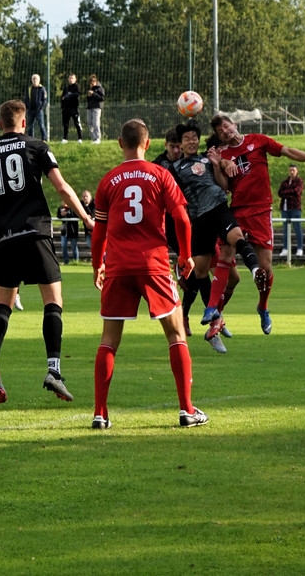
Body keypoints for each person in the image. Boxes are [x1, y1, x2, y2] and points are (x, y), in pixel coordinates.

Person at [0, 99, 95, 405]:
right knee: (53, 300)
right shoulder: (36, 147)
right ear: (24, 122)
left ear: (0, 124)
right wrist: (87, 218)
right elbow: (62, 188)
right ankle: (54, 370)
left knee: (4, 304)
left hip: (6, 239)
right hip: (36, 231)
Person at [90, 118, 208, 429]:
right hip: (153, 265)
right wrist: (185, 255)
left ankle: (100, 414)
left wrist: (97, 264)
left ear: (120, 143)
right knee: (176, 334)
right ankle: (187, 410)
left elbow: (99, 232)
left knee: (108, 340)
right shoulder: (160, 174)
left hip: (118, 267)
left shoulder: (108, 180)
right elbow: (182, 219)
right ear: (148, 143)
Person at [210, 113, 305, 335]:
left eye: (226, 126)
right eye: (220, 131)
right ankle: (215, 314)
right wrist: (220, 165)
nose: (224, 131)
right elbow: (223, 185)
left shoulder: (258, 140)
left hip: (261, 211)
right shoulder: (223, 154)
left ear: (234, 125)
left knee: (265, 269)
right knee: (225, 255)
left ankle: (263, 307)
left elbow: (287, 151)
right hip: (237, 211)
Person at [170, 123, 267, 350]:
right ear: (180, 144)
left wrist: (224, 163)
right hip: (199, 220)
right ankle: (207, 318)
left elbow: (223, 167)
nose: (192, 141)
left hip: (219, 209)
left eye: (194, 137)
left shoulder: (208, 158)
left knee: (237, 239)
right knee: (200, 272)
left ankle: (256, 270)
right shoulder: (175, 168)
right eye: (187, 138)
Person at [277, 164, 304, 257]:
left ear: (297, 171)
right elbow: (280, 193)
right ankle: (285, 248)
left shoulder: (299, 181)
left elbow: (297, 192)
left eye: (293, 170)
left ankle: (299, 248)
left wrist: (286, 192)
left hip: (295, 207)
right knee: (285, 229)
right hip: (285, 208)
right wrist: (289, 192)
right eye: (290, 170)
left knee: (297, 228)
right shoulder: (285, 182)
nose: (292, 172)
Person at [60, 73, 83, 144]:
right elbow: (62, 97)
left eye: (72, 78)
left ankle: (80, 138)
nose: (71, 80)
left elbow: (78, 94)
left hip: (74, 108)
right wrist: (62, 106)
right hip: (66, 108)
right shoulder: (66, 88)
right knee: (65, 124)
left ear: (75, 79)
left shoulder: (77, 86)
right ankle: (65, 138)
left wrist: (69, 96)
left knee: (77, 123)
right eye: (70, 78)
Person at [24, 74, 48, 140]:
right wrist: (28, 106)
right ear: (31, 80)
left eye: (36, 79)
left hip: (39, 110)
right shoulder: (29, 89)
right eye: (33, 79)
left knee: (41, 125)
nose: (34, 80)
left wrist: (41, 107)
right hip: (31, 110)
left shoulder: (42, 89)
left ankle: (44, 139)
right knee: (30, 126)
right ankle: (31, 139)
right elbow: (26, 98)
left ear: (39, 80)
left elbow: (45, 100)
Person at [58, 200, 80, 265]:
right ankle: (66, 261)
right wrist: (61, 214)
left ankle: (76, 261)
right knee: (63, 246)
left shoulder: (74, 208)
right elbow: (58, 216)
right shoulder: (60, 208)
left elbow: (76, 216)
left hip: (73, 231)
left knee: (74, 247)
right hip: (64, 232)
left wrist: (68, 213)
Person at [86, 74, 105, 144]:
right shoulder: (91, 89)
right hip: (90, 107)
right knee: (89, 123)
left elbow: (101, 98)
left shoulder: (100, 88)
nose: (92, 83)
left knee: (96, 123)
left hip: (97, 107)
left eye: (93, 82)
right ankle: (93, 138)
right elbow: (88, 100)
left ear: (96, 81)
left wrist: (94, 94)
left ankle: (97, 138)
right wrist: (88, 96)